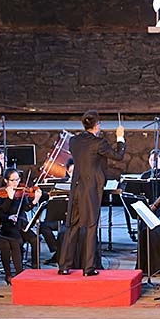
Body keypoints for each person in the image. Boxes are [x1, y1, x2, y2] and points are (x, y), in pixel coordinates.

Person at [58, 110, 125, 276]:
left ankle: (64, 266)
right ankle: (88, 268)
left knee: (72, 226)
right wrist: (120, 138)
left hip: (76, 188)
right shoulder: (99, 143)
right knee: (90, 226)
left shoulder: (74, 141)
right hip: (90, 190)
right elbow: (118, 156)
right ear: (97, 126)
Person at [0, 168, 43, 268]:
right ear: (6, 180)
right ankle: (19, 268)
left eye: (17, 179)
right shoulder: (1, 194)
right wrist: (9, 199)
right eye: (12, 180)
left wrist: (35, 200)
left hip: (21, 224)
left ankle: (35, 266)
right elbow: (1, 212)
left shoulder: (21, 192)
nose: (16, 183)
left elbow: (26, 208)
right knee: (19, 241)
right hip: (8, 226)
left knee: (35, 239)